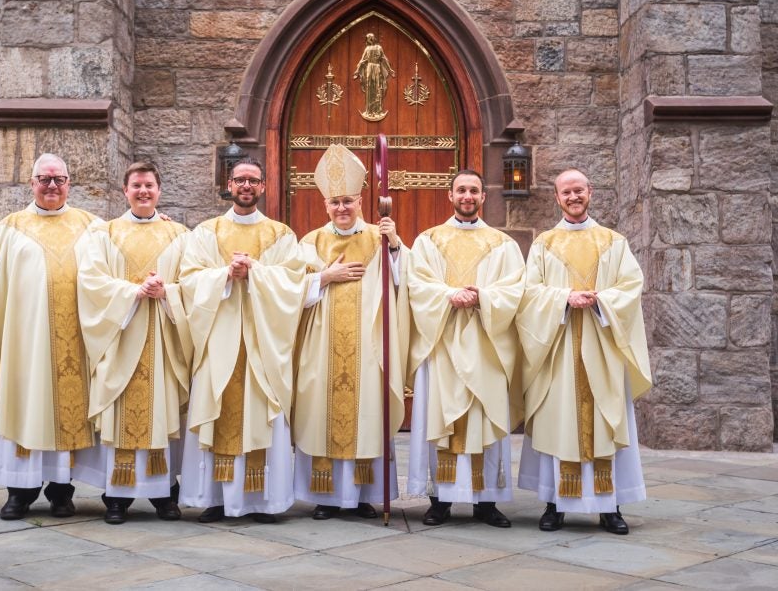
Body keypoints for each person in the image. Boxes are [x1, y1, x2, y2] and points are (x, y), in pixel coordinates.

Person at [0, 153, 97, 520]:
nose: (52, 185)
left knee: (70, 415)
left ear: (70, 183)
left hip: (76, 344)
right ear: (31, 183)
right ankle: (19, 492)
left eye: (59, 179)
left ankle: (62, 491)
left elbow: (123, 255)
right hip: (25, 345)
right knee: (26, 408)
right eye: (44, 179)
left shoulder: (93, 227)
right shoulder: (11, 228)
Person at [516, 169, 652, 535]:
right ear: (557, 198)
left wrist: (600, 301)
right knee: (558, 420)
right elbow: (529, 293)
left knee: (607, 421)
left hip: (602, 348)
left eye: (579, 190)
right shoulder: (544, 243)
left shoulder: (613, 242)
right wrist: (564, 298)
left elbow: (631, 286)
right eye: (566, 192)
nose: (573, 197)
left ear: (590, 192)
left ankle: (610, 507)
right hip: (558, 348)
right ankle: (554, 504)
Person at [178, 157, 306, 523]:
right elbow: (189, 279)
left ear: (263, 187)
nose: (246, 187)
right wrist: (224, 275)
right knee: (217, 409)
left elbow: (294, 281)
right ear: (229, 185)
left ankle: (263, 501)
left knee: (263, 413)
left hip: (263, 341)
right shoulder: (206, 232)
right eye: (240, 180)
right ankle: (216, 499)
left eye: (253, 181)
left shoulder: (281, 234)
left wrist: (256, 272)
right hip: (219, 339)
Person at [293, 144, 408, 520]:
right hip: (323, 345)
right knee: (322, 412)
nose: (341, 208)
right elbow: (291, 289)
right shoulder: (311, 241)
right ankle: (326, 498)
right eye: (334, 202)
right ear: (325, 204)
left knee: (366, 415)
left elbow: (404, 282)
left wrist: (394, 246)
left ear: (360, 200)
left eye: (347, 201)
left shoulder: (379, 235)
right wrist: (325, 277)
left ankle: (362, 496)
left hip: (367, 343)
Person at [407, 170, 525, 527]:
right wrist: (448, 294)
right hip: (442, 341)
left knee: (484, 415)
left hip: (486, 344)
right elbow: (417, 283)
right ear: (450, 195)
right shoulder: (429, 240)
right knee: (440, 417)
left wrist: (482, 296)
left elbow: (516, 287)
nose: (468, 196)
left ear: (483, 197)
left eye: (474, 190)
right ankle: (440, 500)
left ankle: (485, 502)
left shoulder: (502, 244)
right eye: (461, 190)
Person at [76, 162, 192, 525]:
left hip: (162, 340)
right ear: (124, 191)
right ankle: (117, 497)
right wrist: (132, 291)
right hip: (121, 337)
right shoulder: (105, 235)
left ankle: (164, 495)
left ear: (160, 190)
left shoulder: (180, 235)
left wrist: (167, 292)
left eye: (150, 186)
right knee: (121, 413)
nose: (143, 192)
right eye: (137, 186)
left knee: (162, 413)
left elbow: (194, 282)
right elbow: (90, 281)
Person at [352, 32, 395, 121]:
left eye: (369, 38)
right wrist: (357, 71)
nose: (369, 40)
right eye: (369, 38)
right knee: (372, 89)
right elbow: (364, 60)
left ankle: (375, 111)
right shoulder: (374, 48)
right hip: (373, 68)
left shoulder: (372, 48)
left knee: (376, 88)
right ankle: (371, 111)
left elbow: (382, 59)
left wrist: (390, 70)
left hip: (373, 68)